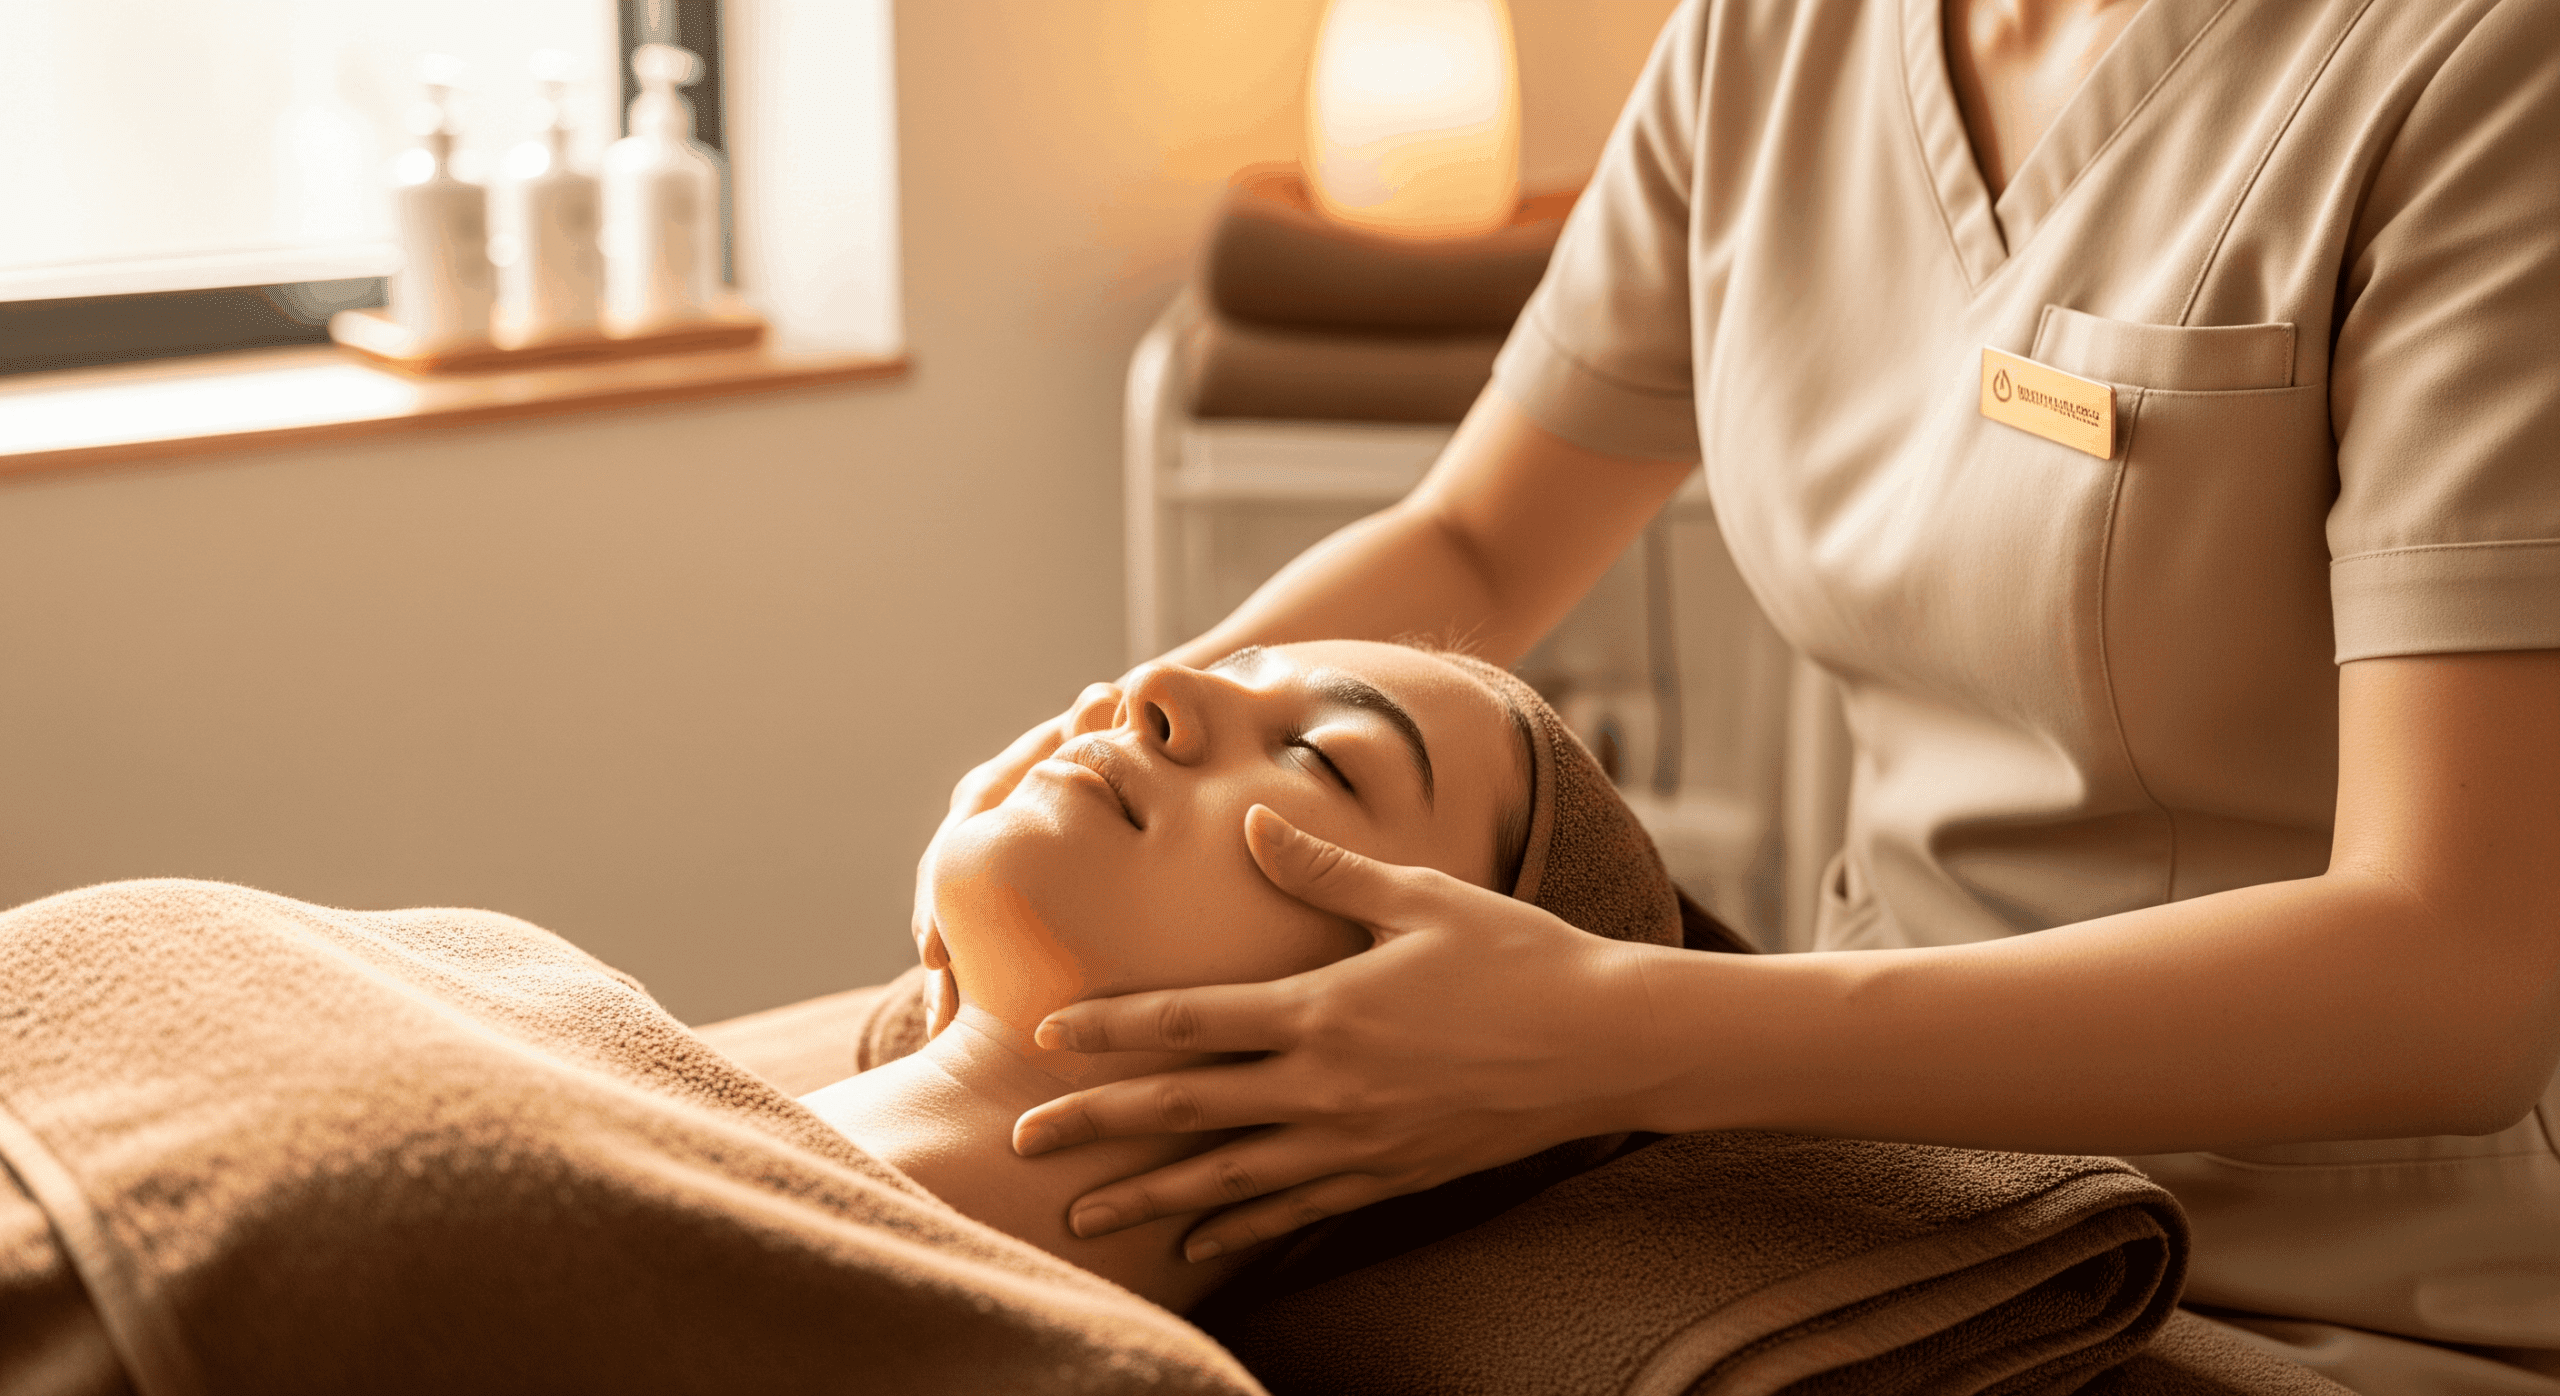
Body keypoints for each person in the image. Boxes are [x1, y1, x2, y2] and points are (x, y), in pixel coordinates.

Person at [917, 0, 2560, 1387]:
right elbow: (1478, 538)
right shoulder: (1773, 36)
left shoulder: (2481, 68)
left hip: (2325, 1277)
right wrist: (1085, 756)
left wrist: (1616, 1037)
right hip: (1868, 1188)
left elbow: (2457, 979)